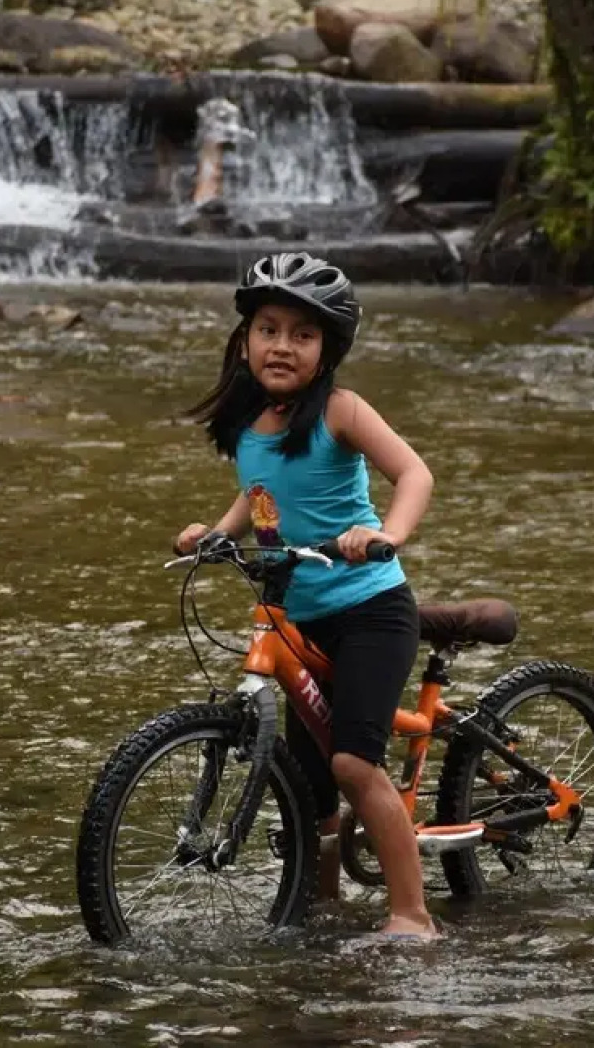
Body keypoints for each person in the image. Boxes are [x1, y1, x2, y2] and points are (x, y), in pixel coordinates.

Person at [173, 252, 438, 940]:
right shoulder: (249, 419)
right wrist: (218, 532)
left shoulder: (341, 412)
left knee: (352, 761)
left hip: (368, 611)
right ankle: (321, 906)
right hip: (301, 617)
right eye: (268, 329)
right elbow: (260, 493)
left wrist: (384, 533)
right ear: (244, 339)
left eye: (302, 334)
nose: (281, 345)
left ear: (327, 350)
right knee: (310, 784)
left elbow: (413, 473)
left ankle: (412, 916)